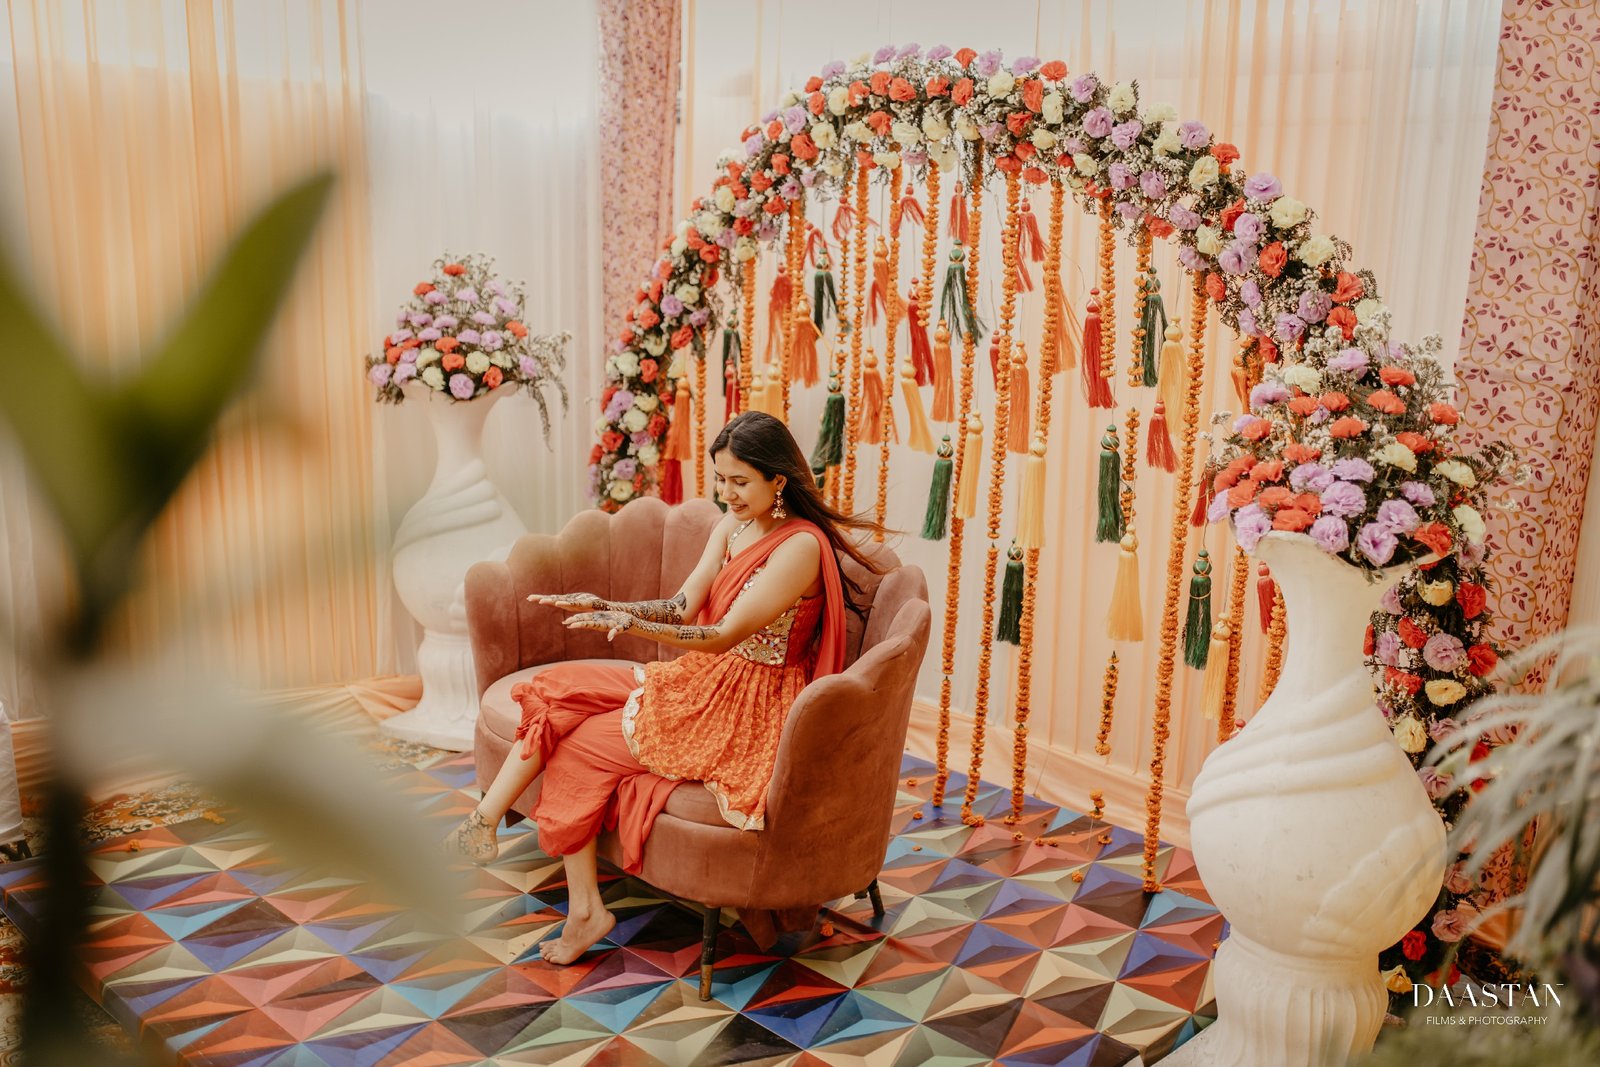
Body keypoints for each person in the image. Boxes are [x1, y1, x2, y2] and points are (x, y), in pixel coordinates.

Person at [445, 411, 887, 964]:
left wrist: (629, 625)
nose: (728, 494)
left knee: (578, 743)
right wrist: (607, 606)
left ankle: (582, 909)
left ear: (778, 479)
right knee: (561, 691)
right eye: (721, 480)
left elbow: (723, 633)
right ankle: (489, 825)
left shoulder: (798, 547)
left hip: (748, 702)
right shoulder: (734, 526)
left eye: (740, 481)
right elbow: (682, 606)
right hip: (708, 678)